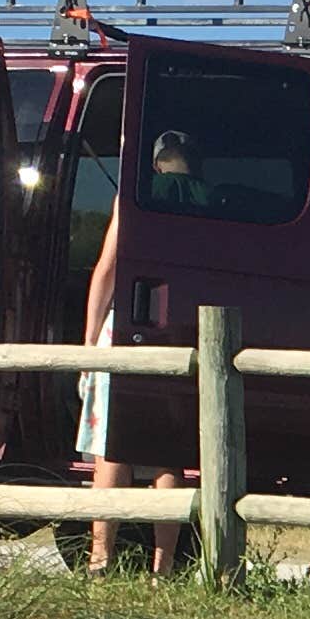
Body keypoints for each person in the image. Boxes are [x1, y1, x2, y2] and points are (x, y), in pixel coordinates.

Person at [74, 127, 196, 574]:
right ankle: (162, 568)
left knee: (112, 447)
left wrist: (89, 341)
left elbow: (107, 270)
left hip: (128, 327)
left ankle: (100, 557)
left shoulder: (134, 198)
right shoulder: (206, 199)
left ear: (157, 162)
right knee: (169, 454)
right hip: (179, 332)